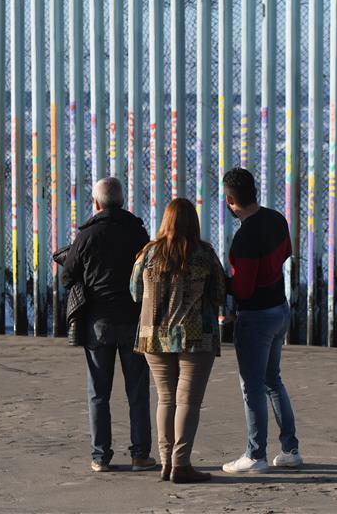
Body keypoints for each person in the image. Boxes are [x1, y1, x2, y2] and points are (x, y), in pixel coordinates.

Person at [61, 177, 156, 473]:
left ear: (96, 203)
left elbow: (67, 277)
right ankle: (140, 454)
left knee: (98, 393)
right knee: (137, 391)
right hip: (133, 320)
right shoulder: (138, 232)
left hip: (98, 322)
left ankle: (101, 456)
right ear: (122, 202)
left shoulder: (87, 235)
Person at [130, 198, 225, 484]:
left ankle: (165, 463)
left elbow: (135, 292)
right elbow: (219, 293)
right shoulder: (204, 254)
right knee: (188, 402)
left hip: (154, 335)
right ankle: (181, 464)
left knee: (166, 398)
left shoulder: (148, 253)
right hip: (196, 336)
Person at [220, 168, 303, 474]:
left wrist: (221, 282)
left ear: (230, 201)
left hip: (256, 317)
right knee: (272, 381)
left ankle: (256, 454)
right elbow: (285, 254)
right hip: (280, 309)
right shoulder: (276, 219)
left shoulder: (245, 238)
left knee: (252, 386)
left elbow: (243, 289)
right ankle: (290, 449)